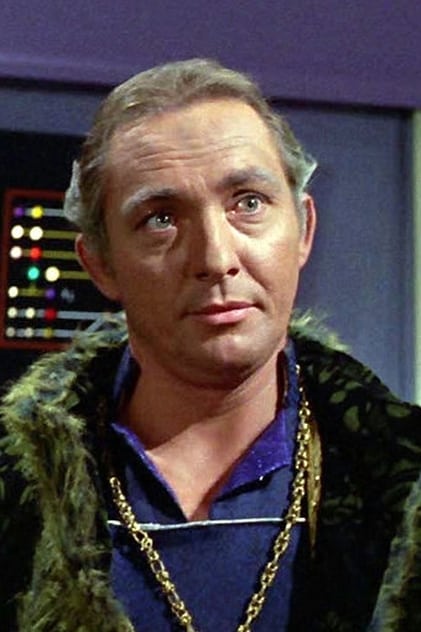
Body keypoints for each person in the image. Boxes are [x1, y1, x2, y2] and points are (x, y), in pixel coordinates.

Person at [0, 58, 420, 632]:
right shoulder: (17, 495)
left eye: (248, 202)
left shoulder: (403, 485)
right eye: (161, 219)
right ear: (101, 265)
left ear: (303, 229)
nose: (216, 258)